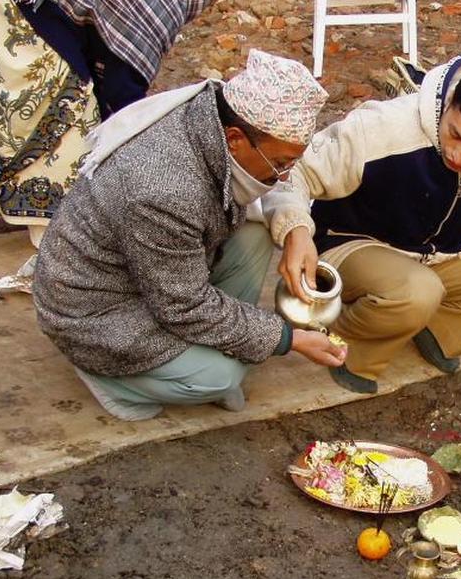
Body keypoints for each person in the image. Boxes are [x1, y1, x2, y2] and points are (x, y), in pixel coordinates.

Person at [33, 50, 346, 421]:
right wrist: (287, 339)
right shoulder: (163, 191)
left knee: (256, 237)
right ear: (234, 139)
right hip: (94, 308)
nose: (283, 175)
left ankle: (214, 347)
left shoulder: (213, 116)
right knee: (219, 377)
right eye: (279, 164)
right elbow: (184, 306)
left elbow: (181, 294)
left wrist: (297, 230)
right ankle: (109, 378)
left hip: (154, 276)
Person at [263, 52, 461, 394]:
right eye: (455, 135)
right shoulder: (383, 126)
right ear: (449, 103)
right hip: (352, 243)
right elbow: (292, 173)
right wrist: (296, 231)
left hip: (444, 255)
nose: (460, 156)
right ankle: (338, 340)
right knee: (418, 291)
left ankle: (436, 330)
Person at [0, 0, 229, 247]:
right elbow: (124, 86)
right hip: (20, 10)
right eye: (212, 2)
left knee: (57, 119)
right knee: (68, 128)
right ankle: (58, 245)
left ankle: (48, 231)